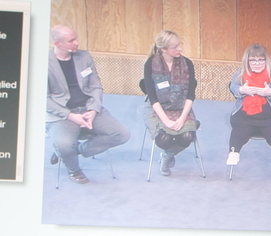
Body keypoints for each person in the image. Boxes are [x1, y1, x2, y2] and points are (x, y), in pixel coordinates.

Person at [47, 25, 131, 184]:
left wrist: (93, 110)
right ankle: (74, 170)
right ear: (57, 44)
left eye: (76, 38)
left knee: (122, 134)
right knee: (64, 145)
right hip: (63, 114)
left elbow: (95, 86)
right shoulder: (44, 62)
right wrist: (70, 116)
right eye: (71, 40)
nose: (77, 43)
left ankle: (77, 150)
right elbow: (43, 99)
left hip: (87, 108)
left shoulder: (84, 57)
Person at [143, 30, 199, 177]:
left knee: (187, 136)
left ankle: (167, 156)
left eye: (179, 45)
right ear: (164, 49)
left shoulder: (187, 63)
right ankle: (168, 151)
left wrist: (182, 118)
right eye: (175, 47)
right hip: (159, 109)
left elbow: (191, 94)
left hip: (182, 108)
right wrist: (166, 120)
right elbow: (152, 97)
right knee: (164, 139)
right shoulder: (151, 64)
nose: (179, 49)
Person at [227, 44, 271, 169]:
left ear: (266, 61)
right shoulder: (240, 74)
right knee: (239, 129)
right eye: (253, 60)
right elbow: (233, 87)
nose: (257, 63)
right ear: (247, 61)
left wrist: (270, 92)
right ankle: (234, 152)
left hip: (269, 117)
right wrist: (242, 90)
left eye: (261, 60)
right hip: (245, 117)